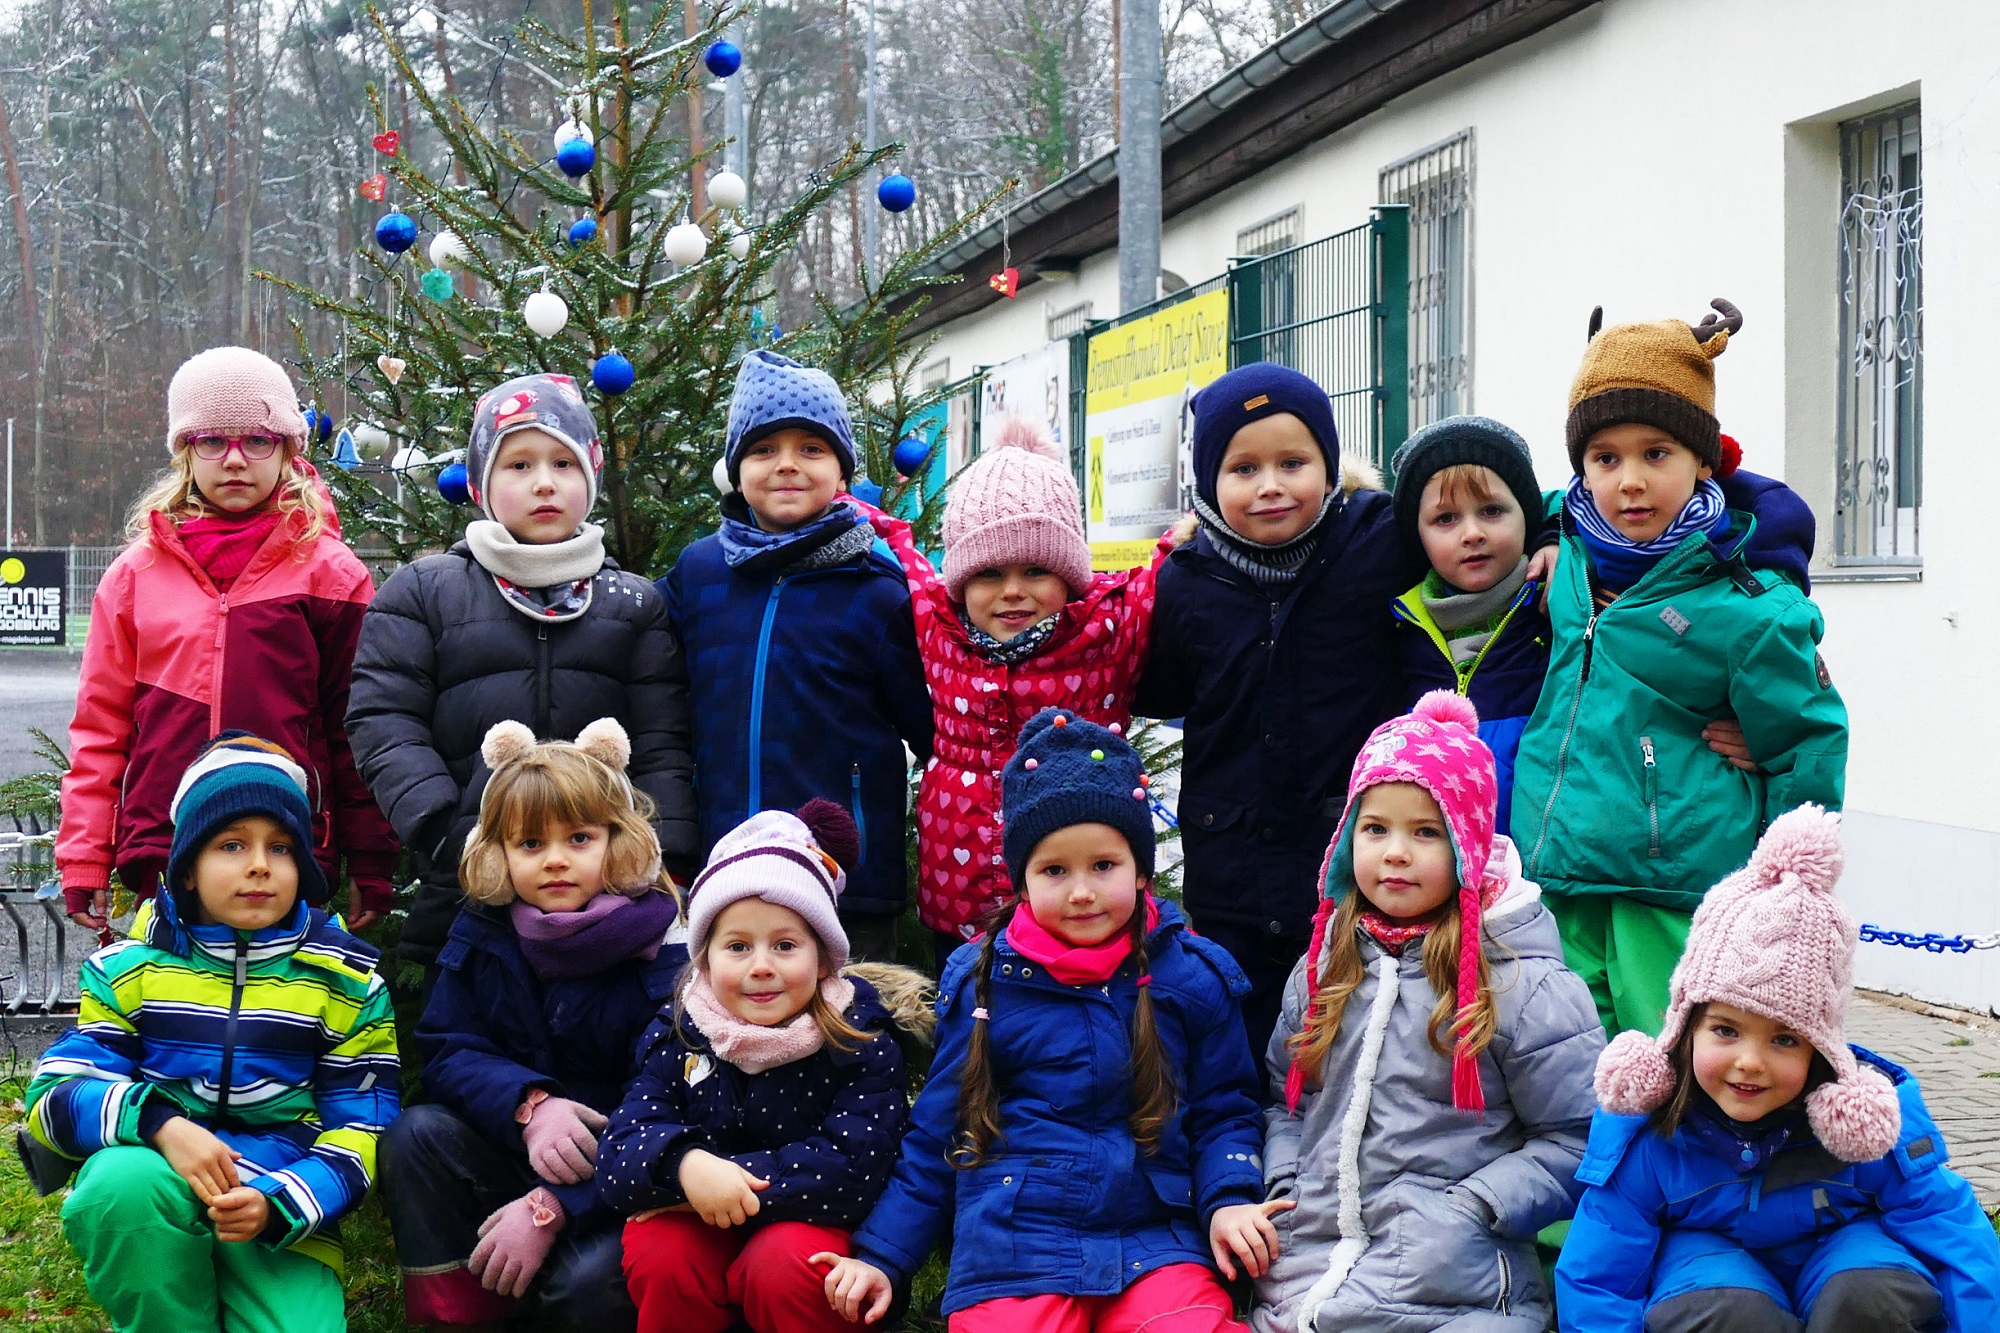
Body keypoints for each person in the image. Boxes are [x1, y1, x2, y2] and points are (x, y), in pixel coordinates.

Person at [819, 709, 1277, 1331]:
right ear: (1022, 879)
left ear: (1142, 870)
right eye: (1054, 870)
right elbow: (938, 1132)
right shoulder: (985, 981)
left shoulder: (1190, 976)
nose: (1081, 891)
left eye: (1104, 866)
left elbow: (1227, 1108)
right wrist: (883, 1255)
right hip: (1015, 1241)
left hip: (1155, 1236)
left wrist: (1228, 1200)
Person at [1512, 301, 1849, 1036]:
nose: (1630, 480)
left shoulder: (1749, 606)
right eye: (1606, 458)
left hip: (1670, 890)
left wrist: (1786, 888)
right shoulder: (1566, 550)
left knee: (1663, 1070)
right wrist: (1538, 531)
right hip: (1557, 878)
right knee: (1563, 1080)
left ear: (1705, 459)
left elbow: (1809, 739)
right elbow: (1489, 505)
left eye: (1655, 453)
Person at [1557, 805, 2000, 1333]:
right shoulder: (1651, 1137)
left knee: (1870, 1293)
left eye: (1785, 1039)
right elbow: (1599, 1276)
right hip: (1708, 1263)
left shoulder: (1862, 1131)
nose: (1750, 1061)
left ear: (1821, 1053)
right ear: (1683, 1030)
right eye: (1725, 1030)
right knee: (1728, 1311)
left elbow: (1949, 1230)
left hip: (1845, 1251)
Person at [1255, 692, 1604, 1332]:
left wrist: (1476, 1205)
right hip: (1306, 1274)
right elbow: (1287, 1100)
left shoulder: (1522, 983)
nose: (1395, 852)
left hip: (1459, 1284)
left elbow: (1581, 1134)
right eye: (1375, 828)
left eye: (1427, 832)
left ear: (1468, 845)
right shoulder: (1322, 968)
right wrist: (1284, 1183)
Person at [27, 733, 399, 1333]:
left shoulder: (347, 985)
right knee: (118, 1187)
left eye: (281, 847)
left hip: (274, 1194)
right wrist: (161, 1126)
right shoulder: (129, 972)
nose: (259, 864)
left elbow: (365, 1124)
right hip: (159, 1173)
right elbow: (56, 1093)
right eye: (231, 844)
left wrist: (284, 1202)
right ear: (189, 870)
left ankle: (250, 1269)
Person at [347, 371, 696, 971]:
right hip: (467, 877)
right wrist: (443, 827)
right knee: (471, 1044)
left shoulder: (632, 603)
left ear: (590, 479)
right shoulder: (425, 591)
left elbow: (664, 739)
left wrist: (661, 850)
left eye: (564, 464)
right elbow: (385, 719)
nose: (543, 483)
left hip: (604, 890)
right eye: (518, 465)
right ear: (482, 483)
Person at [1136, 362, 1435, 1061]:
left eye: (1293, 462)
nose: (1270, 485)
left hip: (1352, 866)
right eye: (1243, 468)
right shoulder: (1186, 581)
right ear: (1208, 481)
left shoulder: (1379, 541)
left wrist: (1544, 541)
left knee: (1351, 1041)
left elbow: (1492, 501)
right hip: (1230, 871)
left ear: (1329, 466)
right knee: (1240, 1050)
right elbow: (1159, 689)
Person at [60, 346, 396, 935]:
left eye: (257, 440)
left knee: (281, 1015)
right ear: (186, 452)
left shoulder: (332, 576)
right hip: (166, 851)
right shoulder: (135, 577)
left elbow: (357, 730)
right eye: (213, 441)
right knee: (166, 1010)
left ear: (289, 450)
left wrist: (370, 858)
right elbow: (101, 729)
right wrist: (86, 854)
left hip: (287, 850)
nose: (235, 461)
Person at [379, 719, 687, 1330]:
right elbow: (447, 1046)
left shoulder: (664, 955)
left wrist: (554, 1205)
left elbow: (673, 1104)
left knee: (585, 1292)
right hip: (516, 1146)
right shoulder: (485, 932)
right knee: (416, 1134)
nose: (554, 862)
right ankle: (458, 1315)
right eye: (528, 845)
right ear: (496, 859)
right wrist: (530, 1103)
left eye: (579, 837)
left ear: (620, 846)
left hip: (625, 1179)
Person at [1387, 415, 1800, 839]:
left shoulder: (1564, 598)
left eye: (1493, 511)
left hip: (1547, 865)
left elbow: (1654, 676)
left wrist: (1753, 725)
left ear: (1527, 515)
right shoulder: (1395, 624)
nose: (1472, 533)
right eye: (1445, 519)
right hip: (1431, 875)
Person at [601, 801, 923, 1333]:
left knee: (784, 1265)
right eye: (737, 946)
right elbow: (622, 1144)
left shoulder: (858, 1035)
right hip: (699, 1211)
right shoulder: (682, 1029)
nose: (762, 966)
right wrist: (683, 1167)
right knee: (664, 1252)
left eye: (786, 945)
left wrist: (736, 1185)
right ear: (704, 960)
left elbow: (856, 1167)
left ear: (823, 958)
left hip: (813, 1220)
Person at [866, 415, 1169, 970]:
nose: (1012, 592)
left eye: (1035, 570)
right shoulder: (939, 627)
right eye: (988, 574)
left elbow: (1165, 567)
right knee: (966, 1025)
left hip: (1081, 893)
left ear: (1070, 575)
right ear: (960, 583)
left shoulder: (1107, 630)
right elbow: (901, 552)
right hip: (959, 895)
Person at [664, 350, 932, 961]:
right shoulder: (699, 572)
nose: (786, 465)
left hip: (845, 877)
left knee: (854, 1035)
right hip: (724, 868)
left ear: (842, 469)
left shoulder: (877, 587)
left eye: (811, 449)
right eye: (763, 450)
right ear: (735, 469)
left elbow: (932, 728)